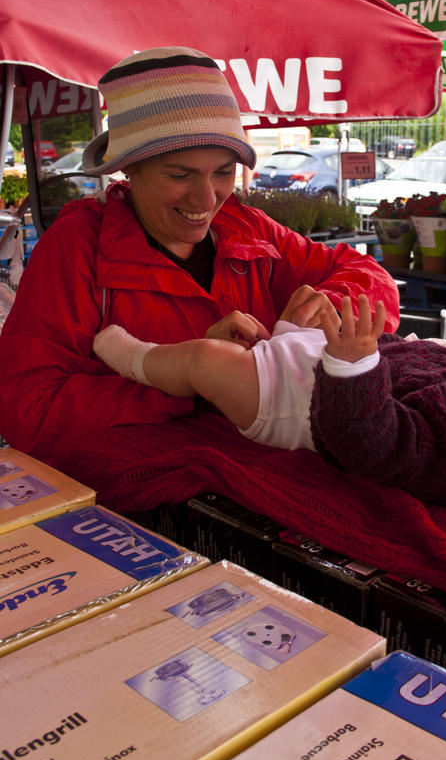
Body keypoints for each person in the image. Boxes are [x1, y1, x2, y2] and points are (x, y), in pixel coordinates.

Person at [0, 47, 399, 484]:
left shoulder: (246, 227)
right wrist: (185, 379)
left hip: (262, 476)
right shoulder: (78, 246)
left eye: (224, 173)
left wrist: (334, 304)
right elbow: (26, 410)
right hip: (136, 506)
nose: (206, 200)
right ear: (128, 170)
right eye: (179, 175)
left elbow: (372, 277)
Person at [93, 293, 446, 508]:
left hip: (300, 407)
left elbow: (368, 438)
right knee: (304, 307)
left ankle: (132, 357)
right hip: (329, 361)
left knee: (207, 362)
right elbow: (419, 357)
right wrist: (348, 340)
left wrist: (354, 360)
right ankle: (286, 338)